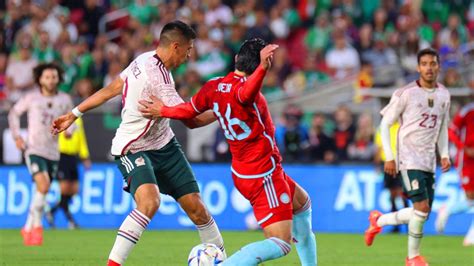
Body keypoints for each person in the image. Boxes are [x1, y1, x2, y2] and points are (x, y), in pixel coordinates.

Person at [51, 21, 225, 266]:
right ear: (175, 46)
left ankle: (223, 261)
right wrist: (223, 109)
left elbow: (112, 88)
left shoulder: (143, 59)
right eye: (188, 49)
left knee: (197, 208)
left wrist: (74, 113)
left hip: (165, 144)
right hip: (132, 147)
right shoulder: (160, 80)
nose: (189, 56)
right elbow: (192, 121)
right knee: (149, 202)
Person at [141, 38, 317, 266]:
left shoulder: (214, 87)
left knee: (302, 204)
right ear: (257, 68)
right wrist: (263, 68)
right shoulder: (247, 93)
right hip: (263, 173)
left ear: (236, 60)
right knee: (280, 243)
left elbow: (188, 111)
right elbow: (244, 94)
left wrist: (163, 110)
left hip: (245, 170)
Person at [364, 48, 451, 266]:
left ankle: (379, 220)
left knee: (422, 213)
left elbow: (443, 128)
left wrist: (445, 153)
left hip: (429, 159)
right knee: (421, 209)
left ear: (439, 66)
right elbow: (385, 124)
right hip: (408, 157)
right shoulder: (405, 93)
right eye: (424, 64)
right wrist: (389, 157)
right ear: (418, 67)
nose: (429, 68)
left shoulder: (444, 94)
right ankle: (412, 258)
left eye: (433, 63)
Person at [8, 63, 73, 245]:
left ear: (58, 78)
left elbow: (72, 120)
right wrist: (16, 137)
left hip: (53, 152)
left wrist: (70, 130)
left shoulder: (65, 99)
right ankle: (37, 225)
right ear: (39, 79)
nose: (51, 80)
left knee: (41, 191)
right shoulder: (31, 98)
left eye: (53, 77)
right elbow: (13, 113)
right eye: (47, 77)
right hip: (34, 149)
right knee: (43, 186)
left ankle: (27, 227)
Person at [435, 102, 474, 246]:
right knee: (470, 198)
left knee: (471, 200)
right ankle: (448, 210)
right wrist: (464, 148)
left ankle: (471, 237)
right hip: (467, 161)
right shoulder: (467, 111)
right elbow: (451, 131)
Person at [46, 117, 91, 229]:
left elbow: (81, 138)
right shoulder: (60, 117)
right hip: (62, 155)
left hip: (73, 157)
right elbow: (53, 134)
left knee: (74, 189)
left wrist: (84, 156)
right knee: (65, 188)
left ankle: (52, 211)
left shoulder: (79, 119)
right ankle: (71, 220)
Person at [374, 121, 408, 233]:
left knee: (402, 194)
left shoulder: (403, 126)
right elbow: (379, 147)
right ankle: (396, 226)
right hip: (388, 164)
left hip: (401, 164)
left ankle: (409, 224)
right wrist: (377, 164)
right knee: (392, 195)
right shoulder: (383, 127)